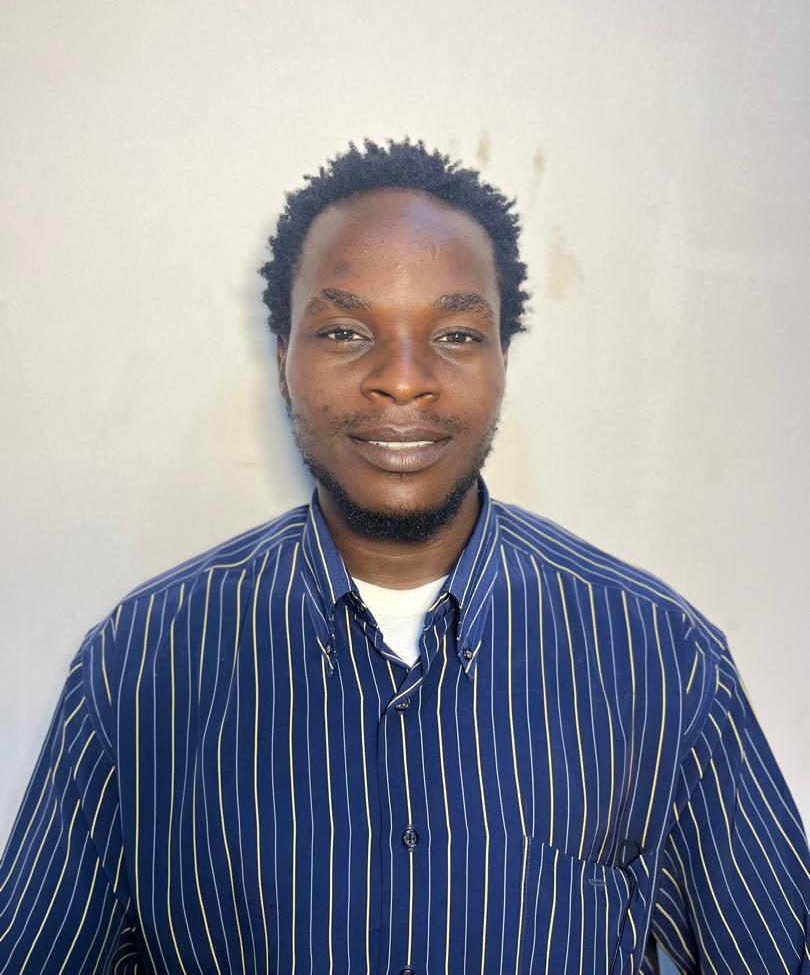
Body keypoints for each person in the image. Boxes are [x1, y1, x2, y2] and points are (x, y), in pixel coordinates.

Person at [0, 138, 807, 975]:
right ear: (282, 361)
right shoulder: (140, 664)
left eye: (455, 334)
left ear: (502, 362)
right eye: (346, 330)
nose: (402, 379)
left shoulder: (661, 658)